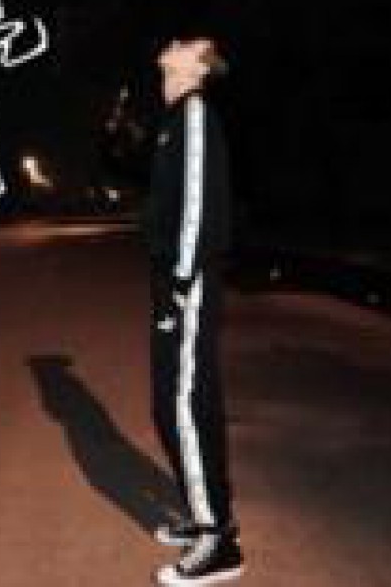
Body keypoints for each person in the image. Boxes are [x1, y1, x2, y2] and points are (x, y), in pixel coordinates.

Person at [144, 37, 244, 585]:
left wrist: (183, 279)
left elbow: (197, 205)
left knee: (184, 403)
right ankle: (204, 511)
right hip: (173, 278)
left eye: (187, 43)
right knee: (169, 403)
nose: (174, 42)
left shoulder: (196, 112)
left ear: (199, 65)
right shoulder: (175, 118)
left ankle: (218, 539)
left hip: (190, 279)